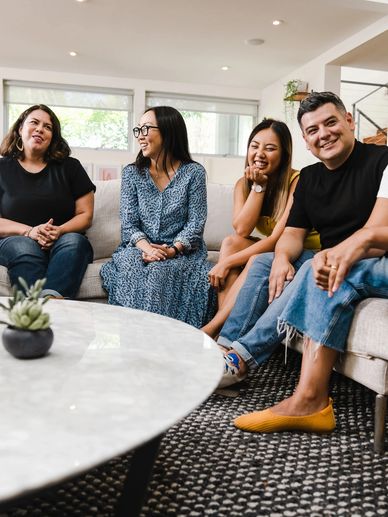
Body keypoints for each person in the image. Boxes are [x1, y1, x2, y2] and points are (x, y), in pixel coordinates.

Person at [217, 91, 388, 435]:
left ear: (349, 122)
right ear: (306, 142)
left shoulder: (381, 161)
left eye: (330, 123)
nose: (323, 134)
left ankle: (248, 363)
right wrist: (281, 257)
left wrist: (332, 255)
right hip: (345, 258)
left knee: (315, 267)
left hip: (379, 259)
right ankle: (225, 347)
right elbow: (293, 234)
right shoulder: (310, 178)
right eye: (313, 130)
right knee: (266, 261)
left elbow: (374, 235)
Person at [202, 118, 319, 338]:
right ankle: (224, 326)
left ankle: (214, 328)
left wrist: (225, 262)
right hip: (277, 246)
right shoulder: (243, 184)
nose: (259, 154)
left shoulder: (297, 181)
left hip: (300, 249)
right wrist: (259, 187)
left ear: (284, 154)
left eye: (270, 148)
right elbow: (242, 230)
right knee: (230, 243)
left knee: (247, 258)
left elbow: (277, 239)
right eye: (254, 146)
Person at [100, 106, 216, 327]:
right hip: (138, 248)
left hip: (182, 252)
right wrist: (148, 249)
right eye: (138, 129)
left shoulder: (194, 173)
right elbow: (129, 223)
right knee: (134, 271)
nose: (140, 136)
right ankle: (135, 336)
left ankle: (165, 337)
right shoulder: (132, 173)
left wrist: (171, 250)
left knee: (159, 273)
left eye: (146, 128)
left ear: (168, 131)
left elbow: (195, 224)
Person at [0, 104, 95, 298]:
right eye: (34, 122)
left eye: (48, 127)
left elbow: (85, 215)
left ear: (53, 136)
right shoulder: (2, 168)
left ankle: (48, 303)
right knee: (24, 247)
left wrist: (59, 230)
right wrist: (30, 231)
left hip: (63, 239)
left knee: (74, 242)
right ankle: (36, 309)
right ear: (20, 128)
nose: (40, 129)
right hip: (17, 239)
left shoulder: (70, 167)